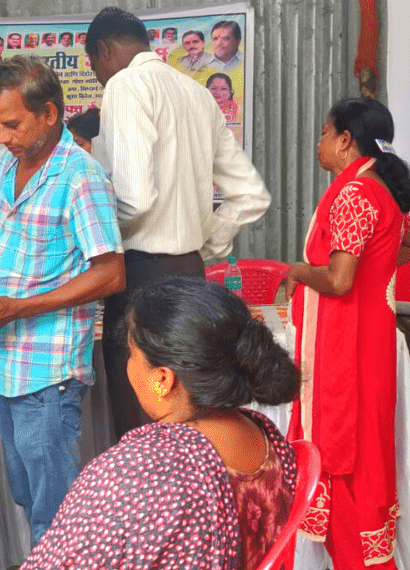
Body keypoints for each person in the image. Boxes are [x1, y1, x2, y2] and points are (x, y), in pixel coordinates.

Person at [0, 276, 299, 570]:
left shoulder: (144, 471)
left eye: (131, 354)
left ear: (163, 378)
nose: (129, 367)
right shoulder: (264, 436)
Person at [0, 55, 125, 546]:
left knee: (54, 510)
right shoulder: (9, 164)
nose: (1, 138)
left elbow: (111, 273)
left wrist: (18, 308)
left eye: (11, 124)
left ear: (49, 114)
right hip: (8, 364)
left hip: (50, 374)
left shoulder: (80, 177)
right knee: (28, 494)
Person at [85, 6, 271, 440]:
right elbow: (251, 195)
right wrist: (204, 242)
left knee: (142, 425)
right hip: (191, 275)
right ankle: (194, 505)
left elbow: (133, 199)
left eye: (94, 65)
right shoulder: (196, 93)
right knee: (190, 419)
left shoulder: (126, 85)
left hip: (141, 283)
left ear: (103, 50)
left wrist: (95, 245)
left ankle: (149, 509)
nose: (97, 75)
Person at [284, 97, 410, 570]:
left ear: (346, 140)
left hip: (346, 353)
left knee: (345, 459)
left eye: (324, 133)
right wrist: (377, 275)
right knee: (358, 458)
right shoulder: (375, 188)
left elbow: (339, 280)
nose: (319, 141)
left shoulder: (355, 193)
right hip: (361, 345)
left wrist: (298, 271)